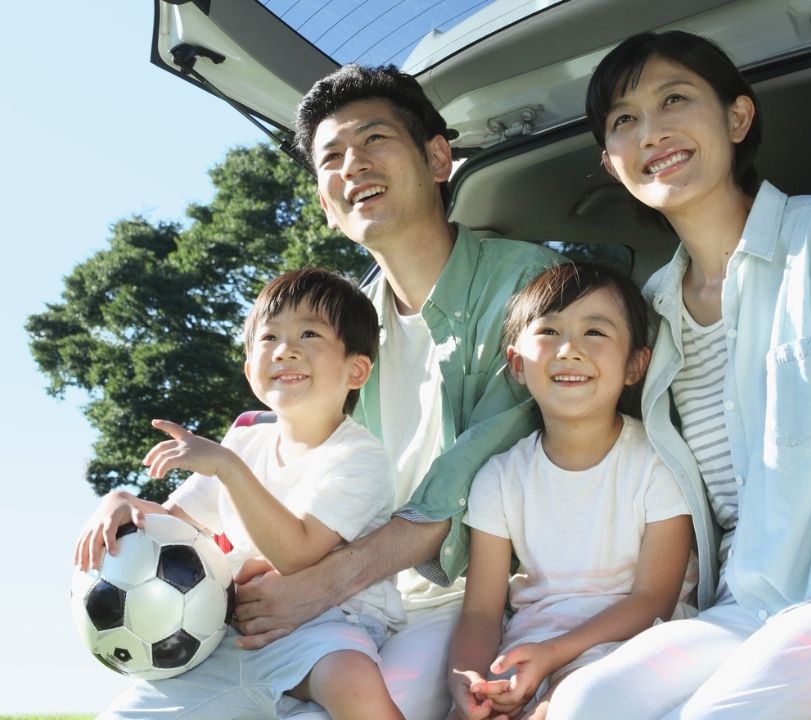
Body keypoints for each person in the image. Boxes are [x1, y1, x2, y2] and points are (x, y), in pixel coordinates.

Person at [547, 31, 811, 720]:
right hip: (738, 602)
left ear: (737, 117)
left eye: (674, 99)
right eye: (624, 120)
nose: (653, 132)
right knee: (582, 702)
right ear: (612, 163)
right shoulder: (654, 308)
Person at [230, 64, 564, 719]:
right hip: (368, 605)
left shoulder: (533, 288)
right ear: (326, 205)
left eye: (373, 140)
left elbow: (470, 468)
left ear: (438, 157)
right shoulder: (336, 334)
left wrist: (320, 584)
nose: (352, 164)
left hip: (485, 598)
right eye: (330, 157)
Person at [75, 267, 407, 719]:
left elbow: (299, 552)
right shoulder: (244, 444)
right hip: (228, 628)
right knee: (127, 712)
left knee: (353, 682)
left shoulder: (359, 457)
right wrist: (121, 502)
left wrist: (228, 469)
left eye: (309, 334)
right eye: (269, 339)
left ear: (356, 369)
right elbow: (177, 525)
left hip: (327, 623)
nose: (285, 350)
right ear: (250, 369)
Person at [447, 262, 694, 720]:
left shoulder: (659, 463)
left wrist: (553, 656)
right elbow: (481, 613)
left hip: (631, 647)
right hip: (527, 652)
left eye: (595, 333)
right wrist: (469, 679)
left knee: (566, 709)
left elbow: (653, 599)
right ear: (518, 364)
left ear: (635, 364)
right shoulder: (499, 477)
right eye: (549, 331)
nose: (569, 350)